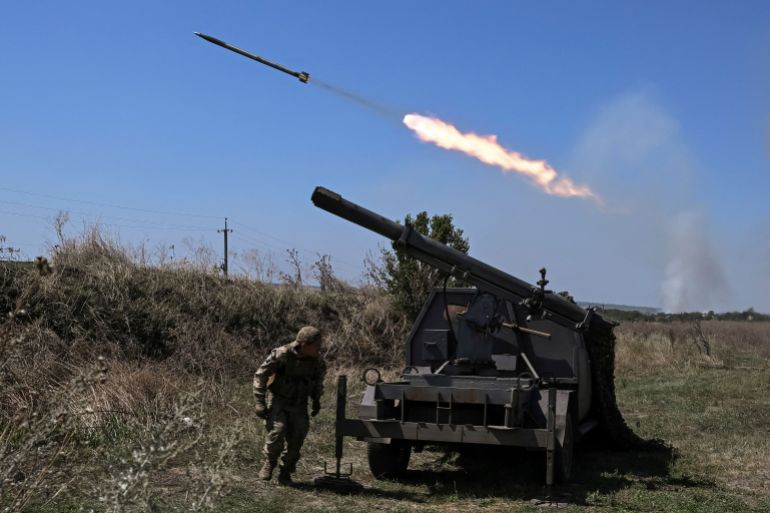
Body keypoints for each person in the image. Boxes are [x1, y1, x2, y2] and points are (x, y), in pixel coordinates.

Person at [253, 326, 326, 484]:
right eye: (316, 345)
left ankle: (285, 471)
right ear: (304, 344)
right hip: (280, 401)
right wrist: (259, 401)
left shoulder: (317, 361)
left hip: (299, 404)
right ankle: (269, 463)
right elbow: (261, 375)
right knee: (277, 433)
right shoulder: (282, 354)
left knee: (297, 439)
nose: (319, 349)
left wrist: (316, 400)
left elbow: (318, 381)